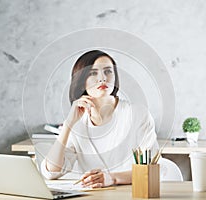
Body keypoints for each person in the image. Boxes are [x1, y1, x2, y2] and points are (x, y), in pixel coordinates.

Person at [41, 50, 159, 188]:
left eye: (108, 71)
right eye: (93, 73)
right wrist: (68, 124)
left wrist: (112, 179)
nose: (102, 78)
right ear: (81, 81)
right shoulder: (77, 123)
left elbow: (153, 168)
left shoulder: (137, 114)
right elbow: (51, 172)